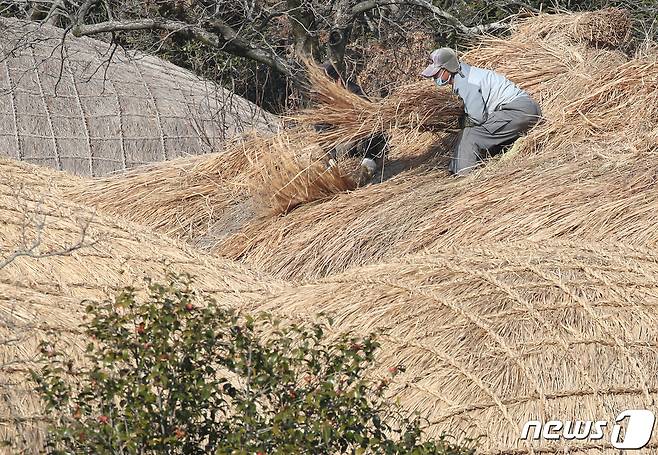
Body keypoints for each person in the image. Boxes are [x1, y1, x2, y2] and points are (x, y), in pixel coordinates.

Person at [420, 48, 542, 175]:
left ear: (447, 69)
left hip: (519, 112)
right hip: (523, 110)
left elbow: (477, 118)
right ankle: (456, 170)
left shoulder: (466, 82)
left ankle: (463, 179)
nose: (434, 77)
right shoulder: (465, 74)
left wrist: (460, 123)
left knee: (471, 134)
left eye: (437, 73)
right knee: (472, 132)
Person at [319, 61, 388, 184]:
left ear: (338, 80)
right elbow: (321, 131)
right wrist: (331, 155)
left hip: (364, 140)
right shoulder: (324, 100)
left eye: (329, 83)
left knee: (370, 130)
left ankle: (370, 161)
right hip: (343, 143)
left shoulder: (355, 93)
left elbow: (373, 120)